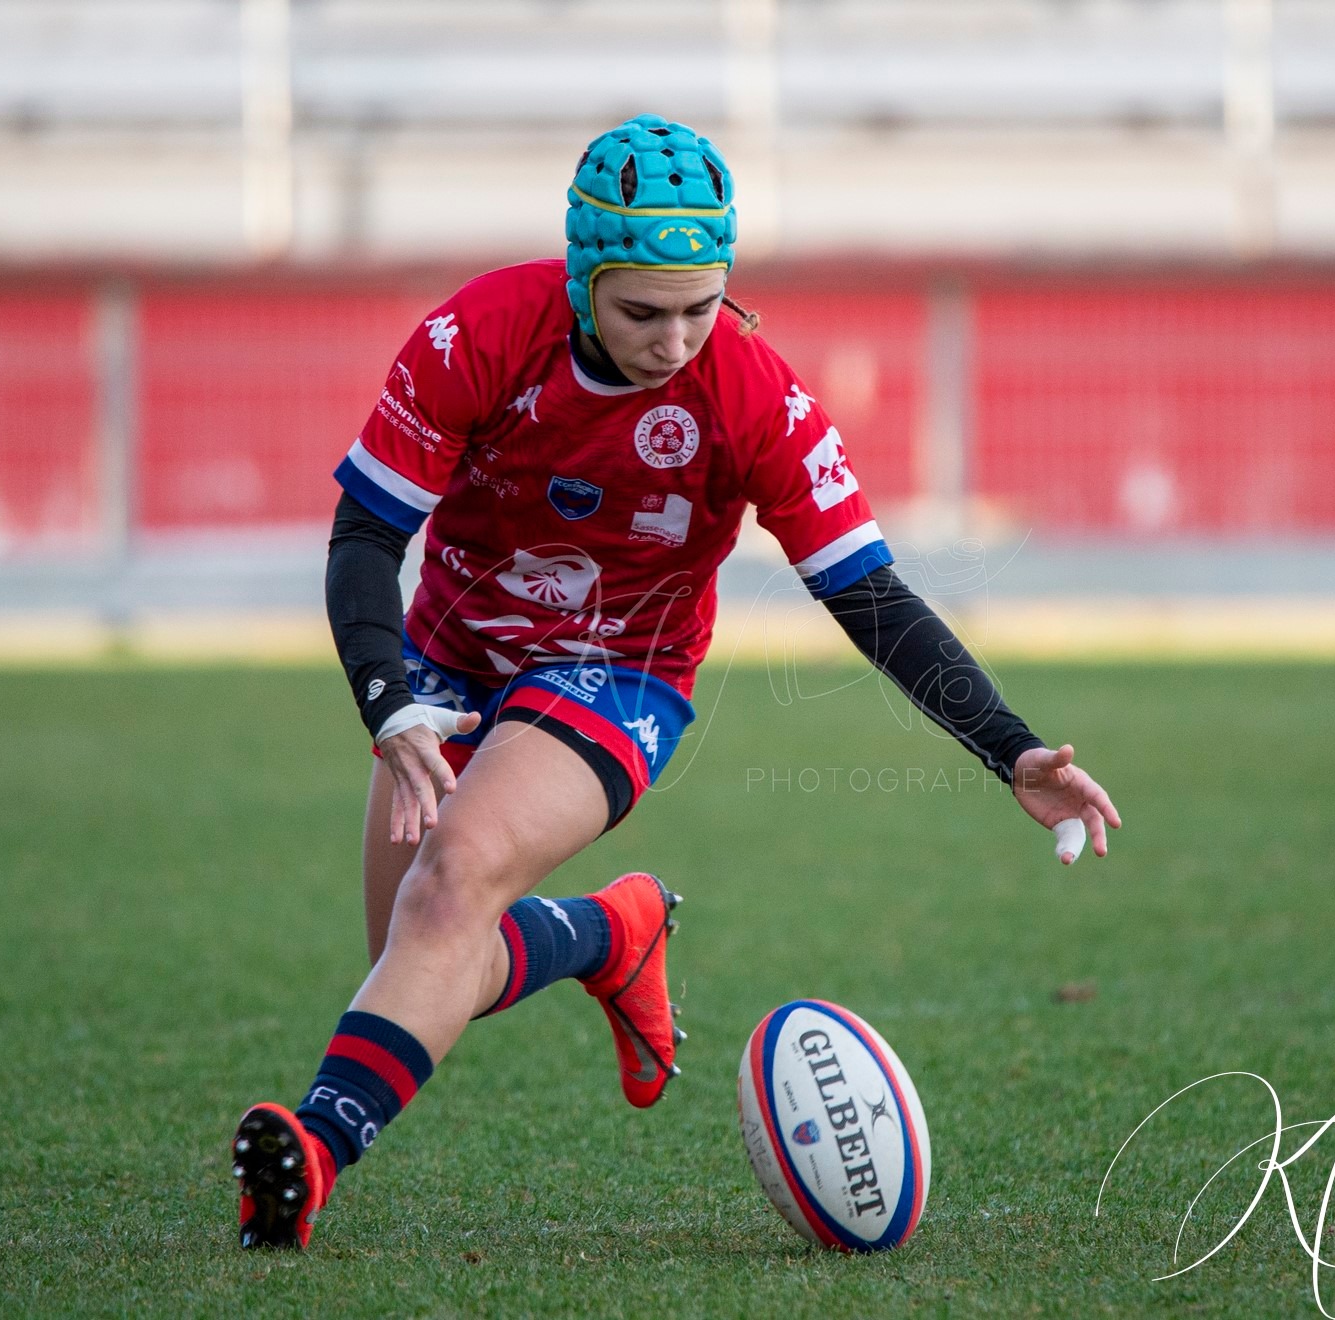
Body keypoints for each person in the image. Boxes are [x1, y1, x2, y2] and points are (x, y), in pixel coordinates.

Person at [230, 113, 1122, 1250]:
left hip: (620, 674)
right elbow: (364, 537)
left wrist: (1011, 749)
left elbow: (869, 597)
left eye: (702, 306)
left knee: (449, 889)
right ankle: (609, 936)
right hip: (445, 666)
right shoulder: (476, 336)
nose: (674, 341)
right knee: (414, 957)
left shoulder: (749, 390)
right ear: (581, 279)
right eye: (642, 311)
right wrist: (386, 696)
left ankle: (309, 1152)